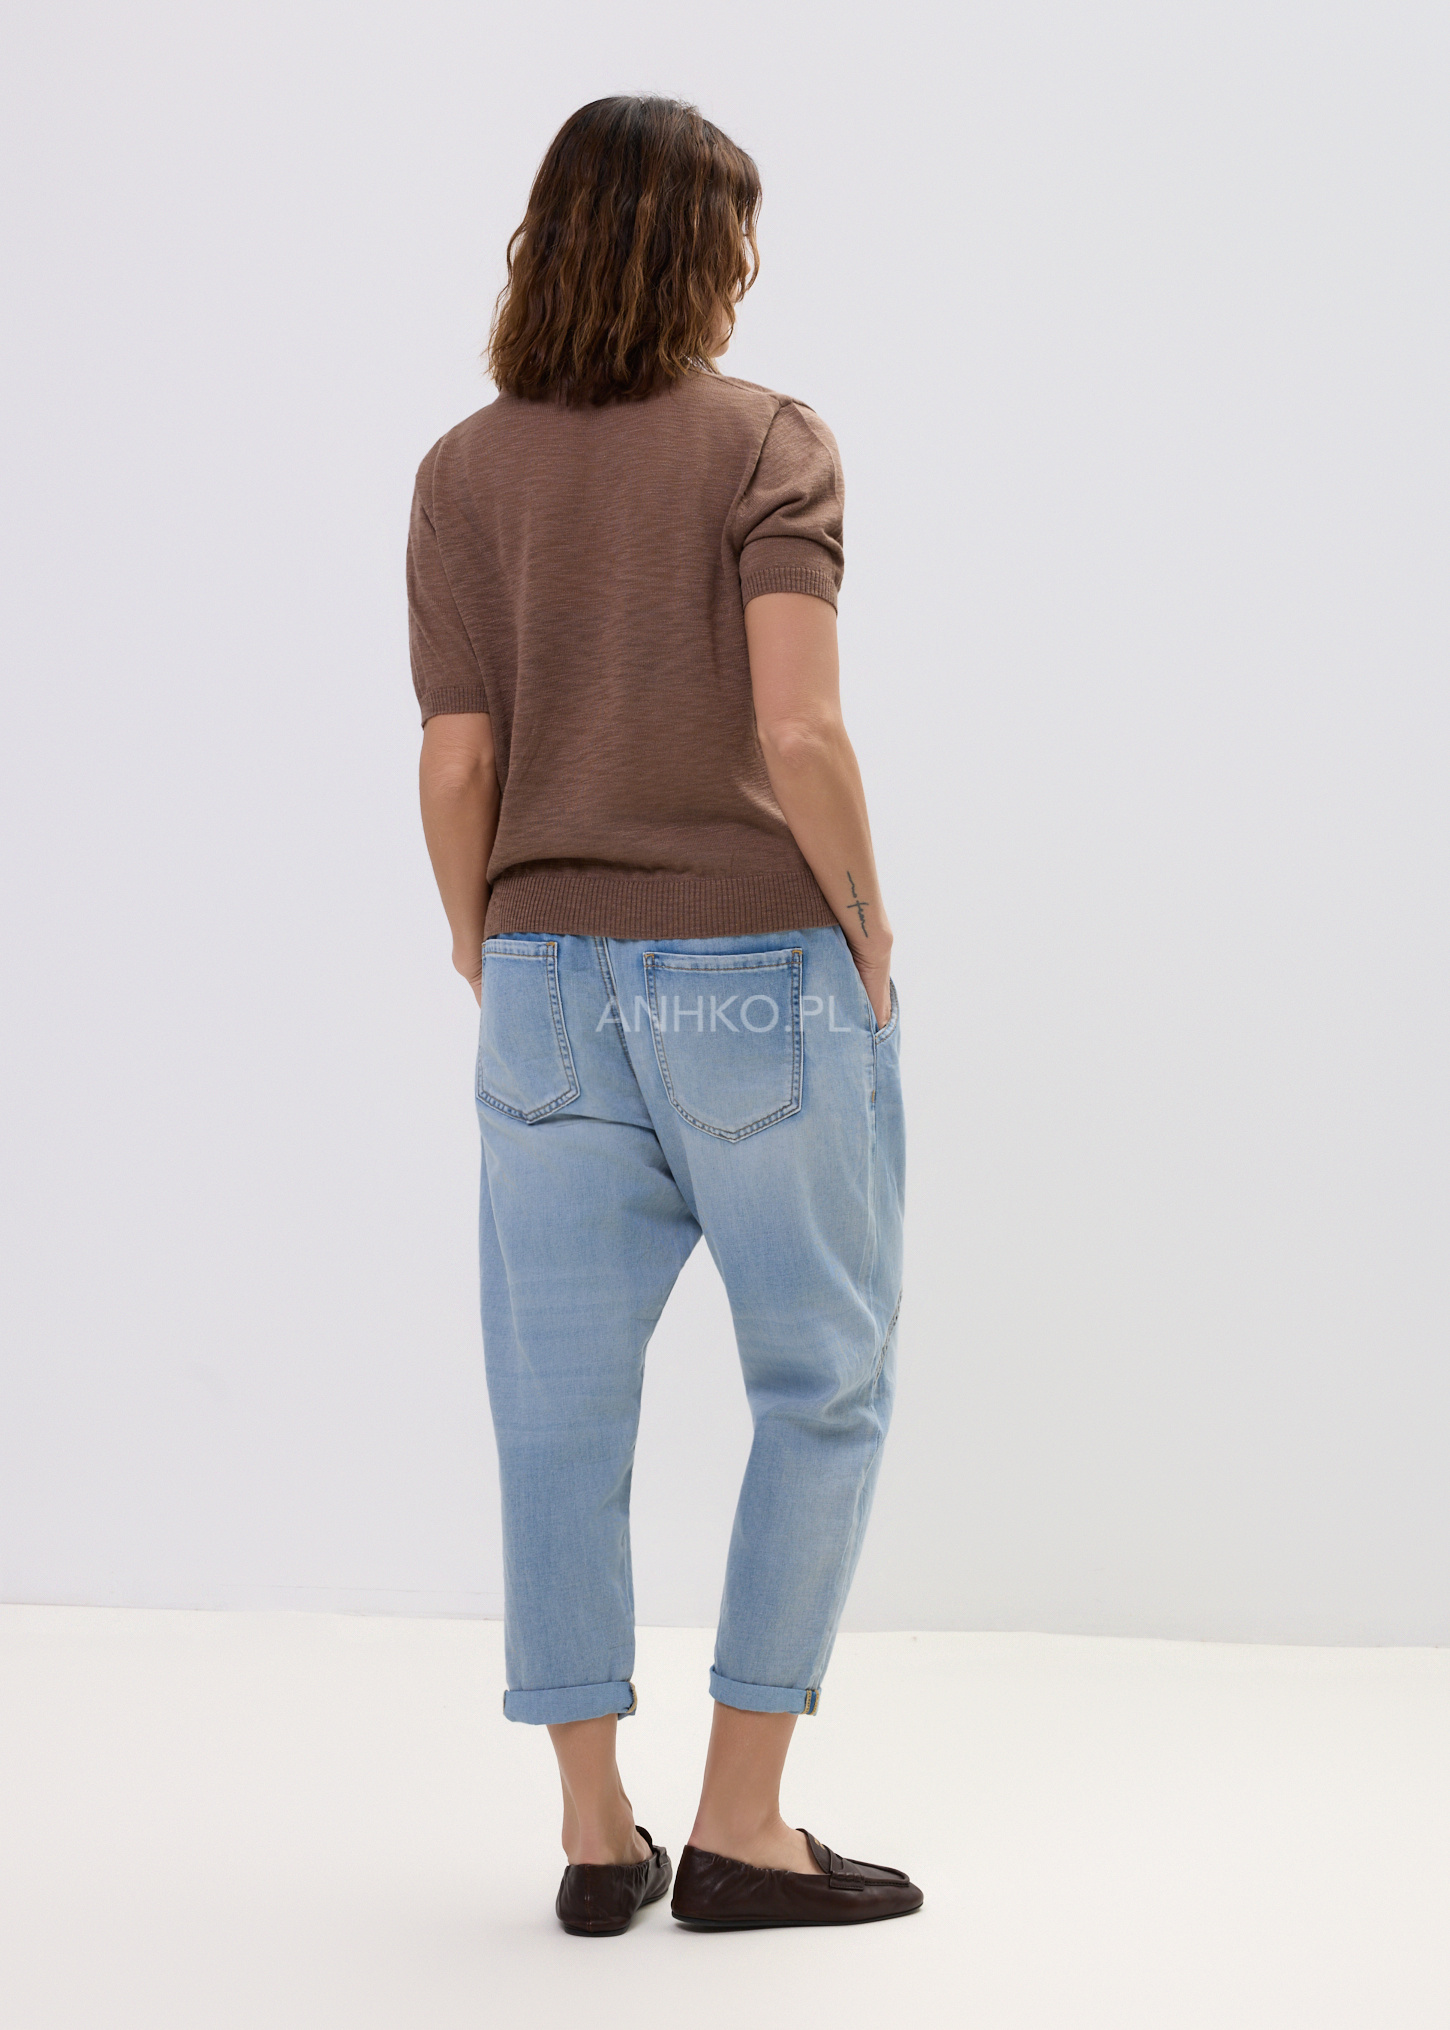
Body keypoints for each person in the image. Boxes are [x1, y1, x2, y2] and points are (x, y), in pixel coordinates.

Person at [408, 95, 918, 1936]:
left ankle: (589, 1829)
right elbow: (799, 727)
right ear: (705, 255)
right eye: (739, 238)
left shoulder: (463, 470)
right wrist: (865, 930)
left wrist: (485, 943)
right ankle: (742, 1824)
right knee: (821, 1384)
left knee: (553, 1416)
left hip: (541, 978)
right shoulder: (769, 442)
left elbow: (454, 763)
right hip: (753, 973)